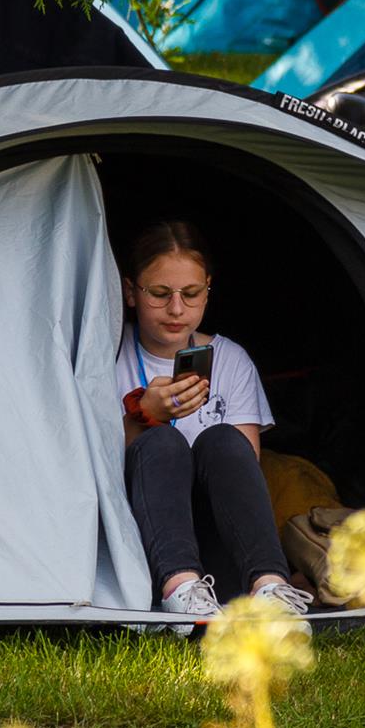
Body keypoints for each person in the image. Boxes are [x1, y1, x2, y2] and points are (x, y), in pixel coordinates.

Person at [115, 219, 315, 628]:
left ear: (208, 289)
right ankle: (180, 591)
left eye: (190, 294)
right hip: (136, 542)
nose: (176, 309)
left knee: (222, 439)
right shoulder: (105, 353)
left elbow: (243, 468)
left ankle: (270, 588)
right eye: (160, 294)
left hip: (217, 544)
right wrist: (146, 415)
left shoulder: (231, 359)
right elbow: (85, 463)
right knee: (162, 443)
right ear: (130, 291)